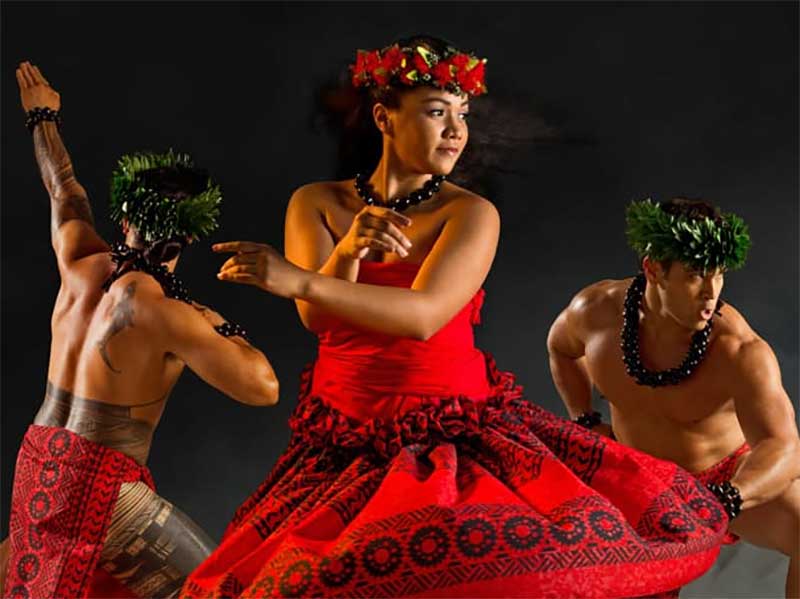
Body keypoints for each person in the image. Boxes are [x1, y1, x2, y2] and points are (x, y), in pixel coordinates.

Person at [182, 38, 727, 598]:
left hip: (449, 433)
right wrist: (345, 252)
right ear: (383, 117)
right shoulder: (315, 202)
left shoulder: (469, 213)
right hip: (342, 438)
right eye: (437, 111)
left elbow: (424, 316)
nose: (456, 130)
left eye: (462, 114)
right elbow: (318, 321)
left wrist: (294, 277)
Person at [3, 61, 279, 599]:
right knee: (220, 591)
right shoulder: (172, 315)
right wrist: (222, 323)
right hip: (98, 487)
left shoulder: (81, 259)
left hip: (38, 462)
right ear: (189, 239)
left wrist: (42, 117)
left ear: (125, 216)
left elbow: (63, 185)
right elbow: (263, 388)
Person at [547, 197, 800, 597]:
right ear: (653, 269)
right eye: (697, 275)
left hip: (723, 480)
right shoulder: (595, 312)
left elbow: (784, 446)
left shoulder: (739, 349)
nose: (710, 293)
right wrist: (584, 419)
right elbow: (561, 348)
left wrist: (727, 498)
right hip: (639, 483)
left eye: (719, 276)